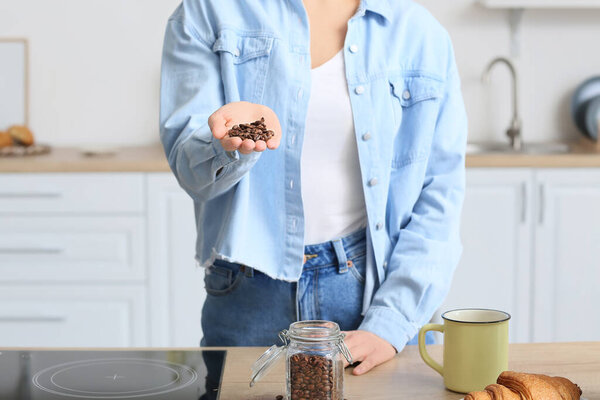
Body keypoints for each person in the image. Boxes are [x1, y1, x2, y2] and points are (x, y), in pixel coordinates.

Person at [160, 0, 467, 375]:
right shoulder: (208, 11)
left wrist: (391, 323)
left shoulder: (418, 32)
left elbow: (439, 194)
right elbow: (191, 172)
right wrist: (230, 140)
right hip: (248, 292)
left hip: (368, 294)